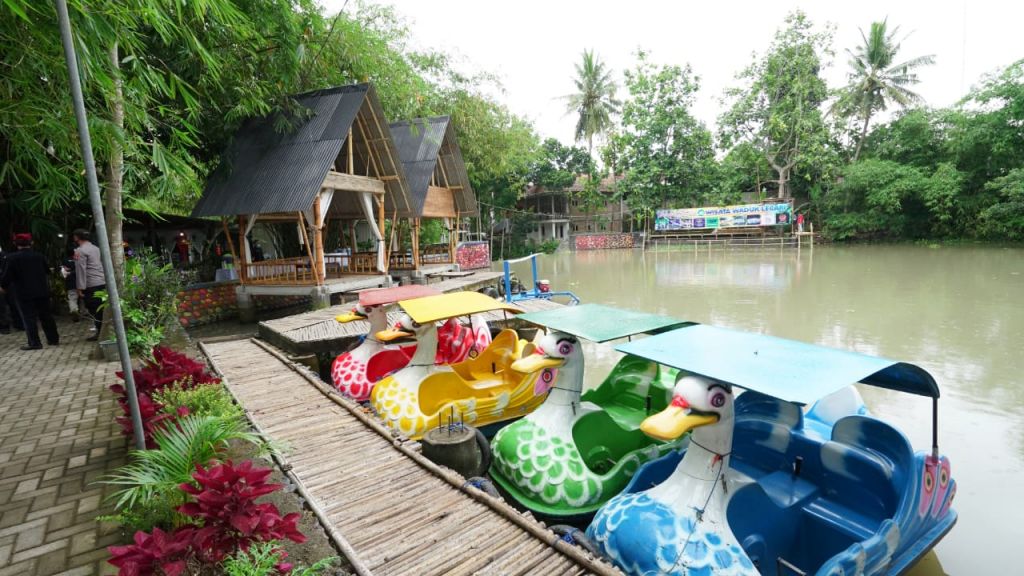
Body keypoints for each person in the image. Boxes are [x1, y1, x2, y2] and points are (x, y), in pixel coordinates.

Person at [0, 234, 59, 350]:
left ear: (15, 244)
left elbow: (7, 276)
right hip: (42, 291)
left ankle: (35, 342)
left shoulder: (12, 258)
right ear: (31, 243)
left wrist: (3, 287)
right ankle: (53, 339)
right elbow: (47, 271)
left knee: (28, 318)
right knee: (46, 316)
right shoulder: (39, 256)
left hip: (23, 293)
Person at [73, 228, 106, 340]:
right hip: (102, 281)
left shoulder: (80, 251)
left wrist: (80, 287)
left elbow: (80, 270)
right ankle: (102, 331)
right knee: (101, 308)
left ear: (76, 238)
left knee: (94, 309)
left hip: (90, 283)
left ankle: (100, 333)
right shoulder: (96, 249)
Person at [61, 250, 80, 322]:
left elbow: (63, 272)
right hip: (81, 281)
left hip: (70, 283)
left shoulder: (65, 261)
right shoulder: (79, 259)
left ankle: (74, 310)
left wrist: (69, 271)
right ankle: (85, 312)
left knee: (72, 298)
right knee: (83, 297)